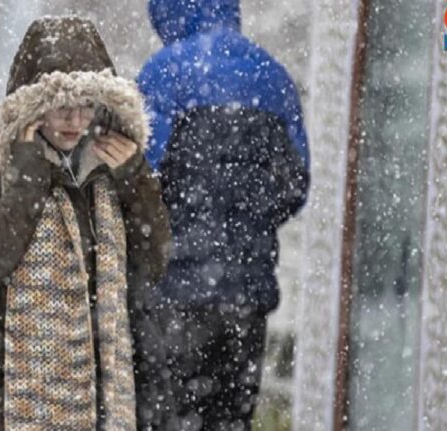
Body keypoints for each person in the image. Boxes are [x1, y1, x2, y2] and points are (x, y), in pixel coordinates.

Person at [0, 16, 173, 431]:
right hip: (2, 396)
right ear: (33, 106)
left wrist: (135, 180)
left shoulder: (114, 168)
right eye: (61, 106)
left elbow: (155, 261)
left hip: (97, 397)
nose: (74, 119)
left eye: (86, 105)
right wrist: (28, 175)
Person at [137, 0, 310, 429]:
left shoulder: (163, 73)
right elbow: (295, 186)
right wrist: (243, 229)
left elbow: (140, 181)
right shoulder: (273, 77)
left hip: (172, 294)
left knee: (166, 417)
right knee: (231, 419)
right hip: (246, 298)